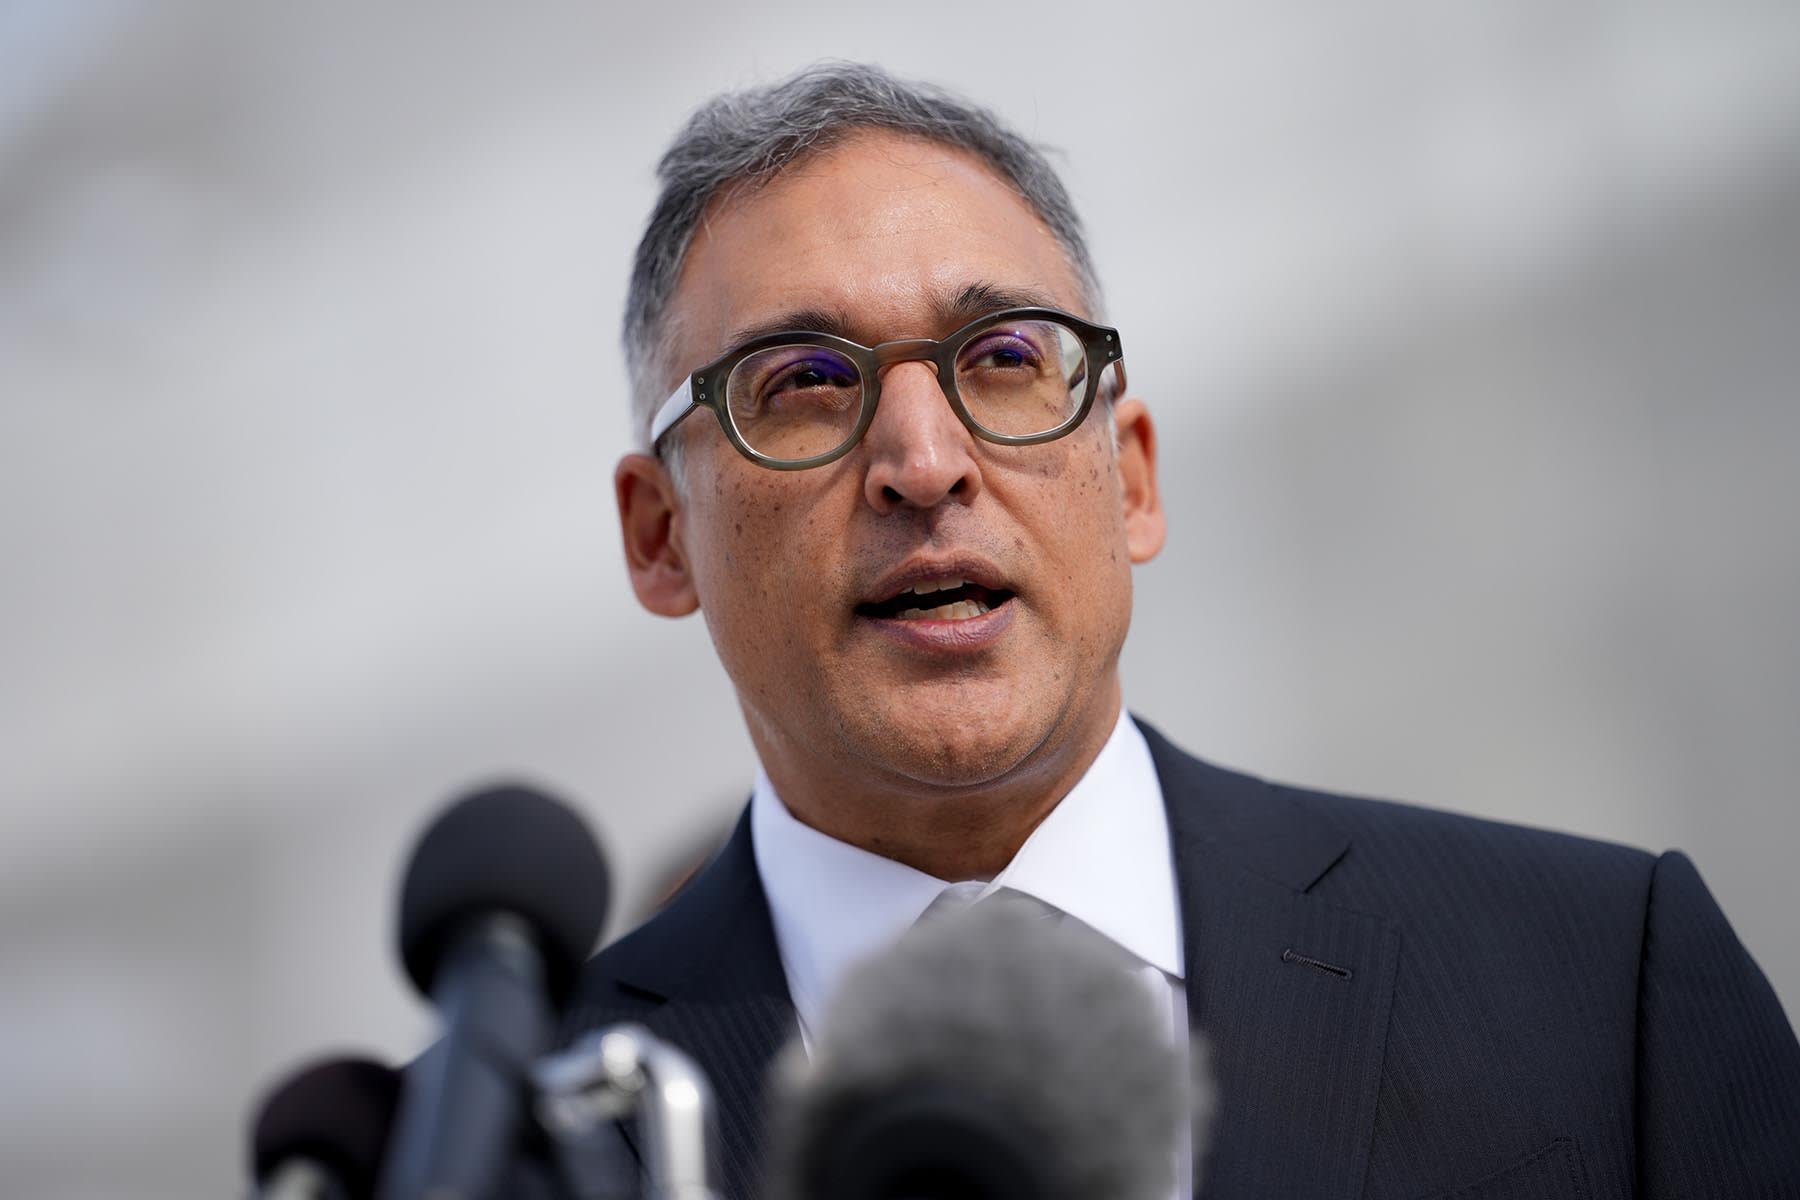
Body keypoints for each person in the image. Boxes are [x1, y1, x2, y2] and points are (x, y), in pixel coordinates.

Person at [563, 62, 1800, 1199]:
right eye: (806, 384)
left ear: (1133, 480)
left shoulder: (1593, 983)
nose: (923, 463)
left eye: (1001, 358)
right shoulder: (522, 1135)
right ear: (660, 535)